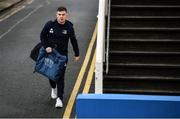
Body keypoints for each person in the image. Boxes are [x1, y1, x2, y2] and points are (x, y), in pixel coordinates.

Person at [40, 6, 80, 108]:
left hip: (62, 56)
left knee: (61, 77)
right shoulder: (50, 25)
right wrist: (46, 46)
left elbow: (73, 41)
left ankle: (59, 99)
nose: (61, 17)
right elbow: (42, 35)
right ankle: (53, 88)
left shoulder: (69, 27)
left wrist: (77, 53)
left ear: (66, 15)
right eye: (59, 14)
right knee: (51, 75)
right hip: (51, 54)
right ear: (56, 15)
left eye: (63, 15)